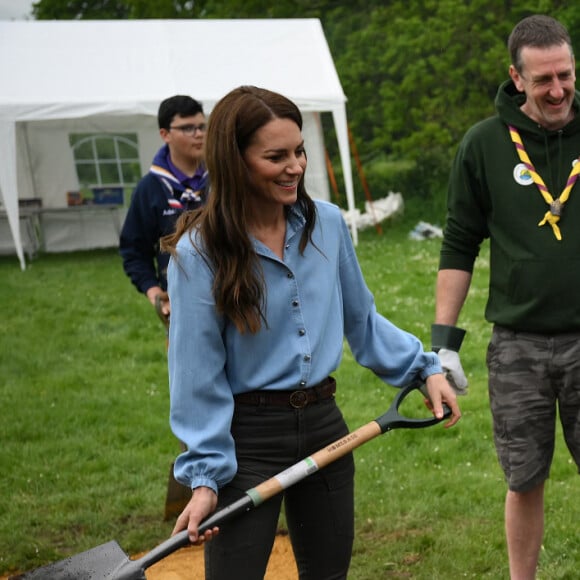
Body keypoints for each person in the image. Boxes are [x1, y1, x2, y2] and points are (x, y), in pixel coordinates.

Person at [162, 85, 461, 580]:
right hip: (248, 445)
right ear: (235, 163)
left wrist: (422, 368)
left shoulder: (327, 224)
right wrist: (205, 478)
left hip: (325, 428)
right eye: (275, 156)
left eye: (298, 151)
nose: (296, 166)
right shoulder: (199, 254)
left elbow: (360, 319)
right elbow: (196, 376)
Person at [434, 14, 580, 580]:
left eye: (565, 74)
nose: (558, 90)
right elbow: (458, 245)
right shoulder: (484, 144)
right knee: (524, 480)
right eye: (542, 79)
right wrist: (443, 345)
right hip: (519, 347)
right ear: (516, 78)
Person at [119, 95, 209, 321]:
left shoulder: (223, 178)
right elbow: (134, 249)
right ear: (165, 134)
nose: (198, 134)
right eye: (188, 128)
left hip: (231, 295)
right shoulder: (149, 189)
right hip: (181, 303)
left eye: (202, 126)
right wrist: (153, 291)